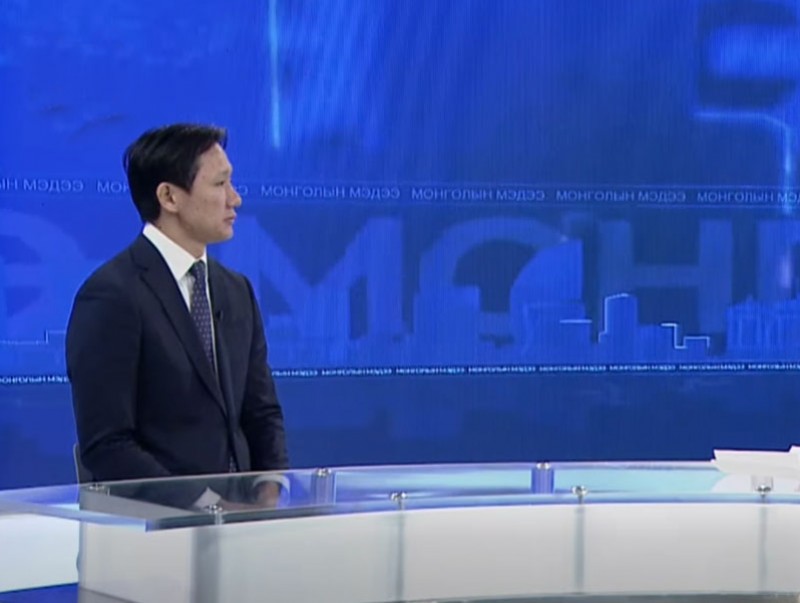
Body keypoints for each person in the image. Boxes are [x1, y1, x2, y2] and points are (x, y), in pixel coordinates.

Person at [66, 123, 289, 510]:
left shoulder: (236, 290)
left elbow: (261, 411)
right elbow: (108, 444)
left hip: (243, 527)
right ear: (169, 196)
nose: (235, 199)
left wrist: (269, 492)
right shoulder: (112, 295)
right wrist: (207, 505)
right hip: (156, 530)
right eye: (220, 184)